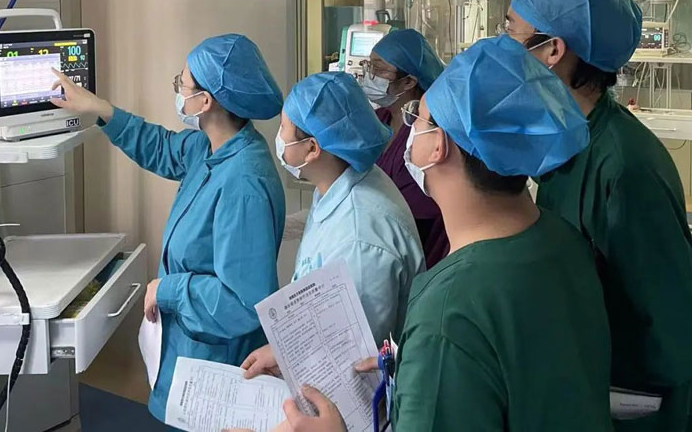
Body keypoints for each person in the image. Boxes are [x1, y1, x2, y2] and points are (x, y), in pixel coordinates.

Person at [266, 35, 613, 431]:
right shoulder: (562, 239)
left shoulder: (449, 312)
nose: (409, 128)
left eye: (419, 118)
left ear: (438, 147)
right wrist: (408, 369)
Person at [51, 34, 286, 424]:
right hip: (187, 346)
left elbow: (242, 303)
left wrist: (168, 289)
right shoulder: (210, 148)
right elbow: (160, 147)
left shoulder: (244, 182)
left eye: (183, 83)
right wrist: (97, 108)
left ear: (206, 101)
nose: (178, 90)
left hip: (217, 362)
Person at [507, 0, 692, 431]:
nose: (502, 48)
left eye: (510, 32)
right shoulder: (568, 137)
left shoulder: (625, 167)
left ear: (552, 50)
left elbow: (672, 327)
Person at [241, 71, 425, 379]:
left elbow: (355, 354)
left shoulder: (361, 241)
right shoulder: (341, 179)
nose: (279, 138)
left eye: (284, 128)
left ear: (312, 149)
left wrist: (288, 357)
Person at [359, 29, 448, 269]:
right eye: (369, 65)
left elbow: (419, 208)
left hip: (416, 245)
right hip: (374, 242)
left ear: (408, 81)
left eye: (379, 69)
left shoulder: (427, 132)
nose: (369, 75)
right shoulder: (378, 119)